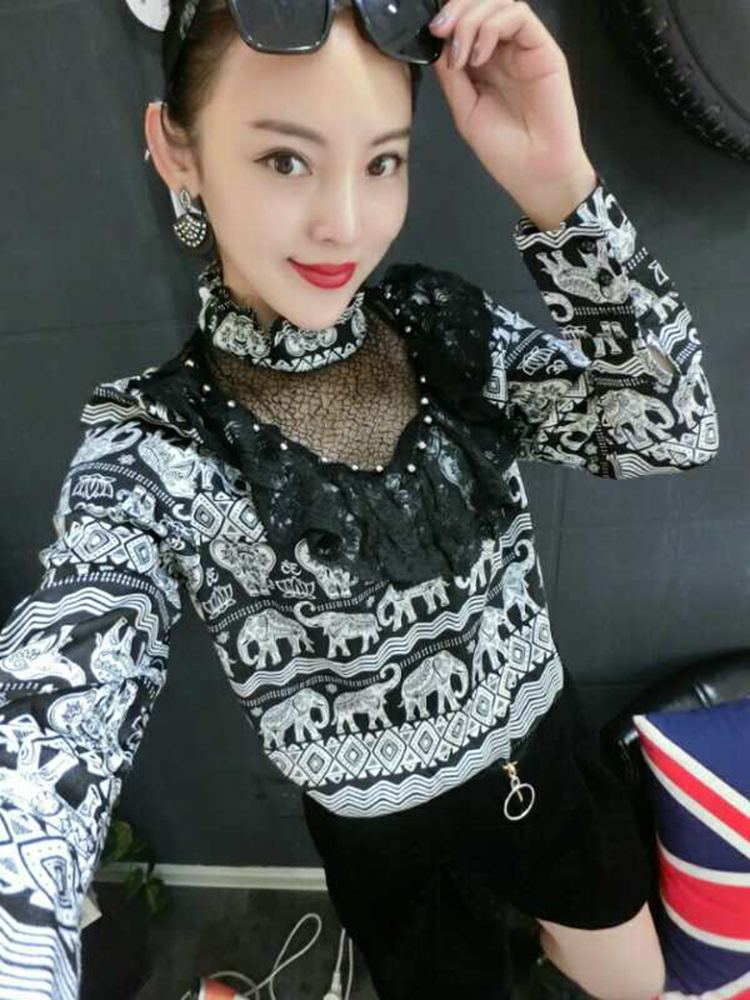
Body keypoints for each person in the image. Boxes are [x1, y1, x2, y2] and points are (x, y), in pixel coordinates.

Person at [0, 1, 720, 998]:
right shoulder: (157, 446)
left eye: (383, 161)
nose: (346, 220)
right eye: (285, 159)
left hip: (548, 774)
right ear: (177, 151)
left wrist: (559, 185)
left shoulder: (445, 328)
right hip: (397, 856)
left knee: (637, 987)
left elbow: (671, 430)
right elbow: (54, 717)